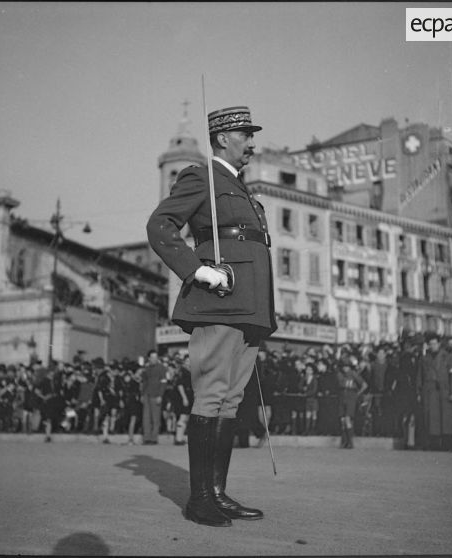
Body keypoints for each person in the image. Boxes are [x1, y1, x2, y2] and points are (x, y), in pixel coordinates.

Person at [147, 106, 275, 527]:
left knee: (230, 399)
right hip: (220, 300)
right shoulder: (200, 175)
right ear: (222, 138)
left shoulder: (241, 187)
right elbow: (161, 224)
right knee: (211, 394)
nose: (252, 143)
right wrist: (198, 271)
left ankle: (217, 493)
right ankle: (200, 498)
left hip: (250, 304)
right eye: (245, 134)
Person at [417, 333, 452, 451]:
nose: (432, 346)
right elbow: (419, 376)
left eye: (434, 343)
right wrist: (419, 392)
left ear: (439, 344)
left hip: (445, 390)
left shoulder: (448, 357)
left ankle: (447, 444)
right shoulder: (424, 358)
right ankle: (433, 443)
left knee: (445, 418)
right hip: (430, 391)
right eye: (430, 344)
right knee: (432, 418)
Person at [140, 349, 167, 445]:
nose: (154, 359)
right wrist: (142, 394)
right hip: (147, 394)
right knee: (146, 417)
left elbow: (164, 383)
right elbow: (144, 382)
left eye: (156, 357)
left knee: (156, 418)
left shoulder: (162, 368)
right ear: (149, 358)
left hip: (156, 395)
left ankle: (154, 438)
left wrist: (160, 395)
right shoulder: (146, 368)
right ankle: (146, 438)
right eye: (152, 357)